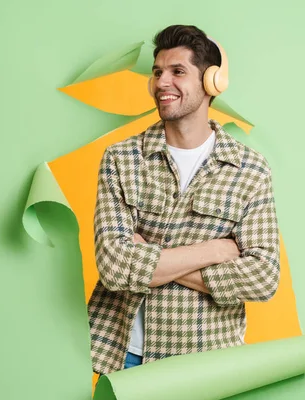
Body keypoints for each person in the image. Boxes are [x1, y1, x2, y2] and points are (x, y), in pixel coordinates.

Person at [88, 24, 280, 375]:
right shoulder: (121, 159)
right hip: (127, 356)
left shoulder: (249, 169)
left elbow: (263, 277)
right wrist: (217, 250)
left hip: (210, 359)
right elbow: (115, 267)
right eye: (158, 72)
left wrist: (149, 260)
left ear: (211, 83)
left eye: (178, 72)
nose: (162, 83)